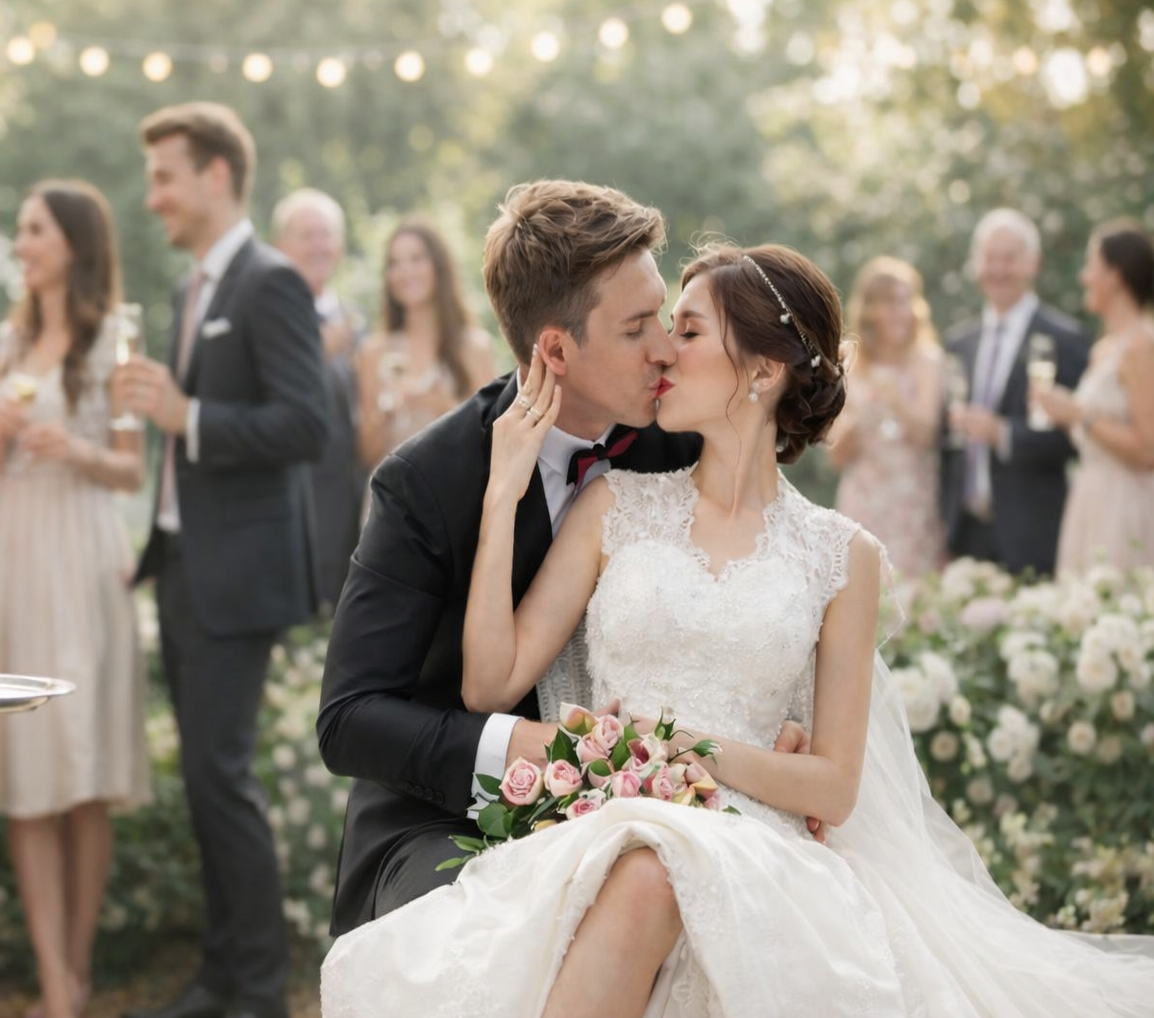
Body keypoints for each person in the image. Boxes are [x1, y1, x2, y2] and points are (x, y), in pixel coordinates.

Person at [320, 242, 1154, 1016]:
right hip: (611, 818)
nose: (663, 352)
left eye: (685, 330)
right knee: (644, 870)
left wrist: (686, 751)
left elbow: (832, 785)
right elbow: (487, 686)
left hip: (756, 835)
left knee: (663, 872)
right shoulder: (616, 501)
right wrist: (500, 497)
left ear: (761, 369)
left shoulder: (842, 555)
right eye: (655, 328)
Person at [321, 179, 729, 941]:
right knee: (483, 942)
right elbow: (349, 720)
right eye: (638, 328)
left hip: (659, 802)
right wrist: (531, 749)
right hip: (448, 819)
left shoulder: (684, 441)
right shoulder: (425, 482)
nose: (667, 349)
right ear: (555, 349)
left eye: (666, 320)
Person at [116, 101, 328, 1018]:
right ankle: (219, 973)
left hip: (239, 577)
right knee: (205, 778)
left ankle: (255, 991)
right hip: (182, 563)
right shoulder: (187, 289)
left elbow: (304, 423)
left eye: (165, 175)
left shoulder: (269, 282)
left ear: (214, 176)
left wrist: (186, 417)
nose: (152, 195)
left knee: (222, 776)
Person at [0, 179, 151, 1018]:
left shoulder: (114, 338)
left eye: (34, 228)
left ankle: (73, 974)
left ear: (72, 243)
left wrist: (72, 448)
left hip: (82, 554)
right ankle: (52, 983)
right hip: (20, 553)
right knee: (29, 766)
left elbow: (130, 468)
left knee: (84, 773)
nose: (22, 241)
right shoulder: (8, 341)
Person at [941, 208, 1088, 577]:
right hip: (966, 535)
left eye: (1009, 258)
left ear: (1032, 264)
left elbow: (1074, 440)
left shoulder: (1065, 339)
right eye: (990, 258)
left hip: (1033, 533)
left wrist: (1002, 433)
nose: (998, 269)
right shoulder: (959, 343)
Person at [1032, 219, 1154, 574]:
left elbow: (1147, 451)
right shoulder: (1104, 349)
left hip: (1126, 503)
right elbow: (1098, 435)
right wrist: (1060, 412)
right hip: (1090, 498)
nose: (1084, 277)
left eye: (1091, 266)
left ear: (1114, 275)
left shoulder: (1141, 347)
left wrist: (1078, 414)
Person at [272, 187, 365, 610]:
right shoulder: (266, 317)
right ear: (281, 245)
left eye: (326, 235)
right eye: (306, 234)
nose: (318, 245)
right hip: (288, 507)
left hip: (349, 506)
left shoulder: (354, 321)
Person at [828, 256, 946, 579]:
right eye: (891, 303)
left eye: (907, 301)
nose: (902, 312)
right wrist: (855, 422)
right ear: (870, 310)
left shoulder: (927, 360)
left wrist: (895, 400)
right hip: (863, 498)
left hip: (913, 500)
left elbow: (926, 435)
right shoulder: (849, 363)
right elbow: (837, 455)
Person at [355, 218, 497, 471]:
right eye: (394, 263)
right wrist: (386, 413)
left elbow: (491, 441)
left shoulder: (473, 347)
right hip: (390, 498)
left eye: (416, 259)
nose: (405, 271)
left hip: (451, 494)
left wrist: (441, 405)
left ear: (438, 267)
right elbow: (366, 454)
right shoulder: (373, 352)